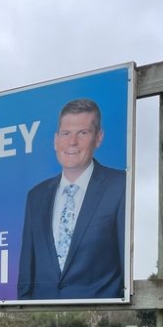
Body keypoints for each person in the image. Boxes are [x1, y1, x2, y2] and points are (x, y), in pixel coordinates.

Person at [16, 98, 127, 300]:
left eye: (83, 133)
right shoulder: (36, 196)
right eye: (66, 133)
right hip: (42, 321)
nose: (72, 142)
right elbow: (26, 275)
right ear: (55, 140)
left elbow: (126, 268)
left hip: (100, 320)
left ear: (98, 138)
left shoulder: (120, 185)